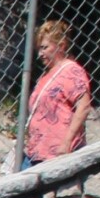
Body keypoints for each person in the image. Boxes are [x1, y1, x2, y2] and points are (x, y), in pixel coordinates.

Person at [26, 21, 93, 166]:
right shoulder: (45, 77)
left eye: (44, 48)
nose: (40, 54)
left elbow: (84, 106)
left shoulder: (71, 71)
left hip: (60, 153)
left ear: (61, 46)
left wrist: (66, 143)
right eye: (39, 49)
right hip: (37, 154)